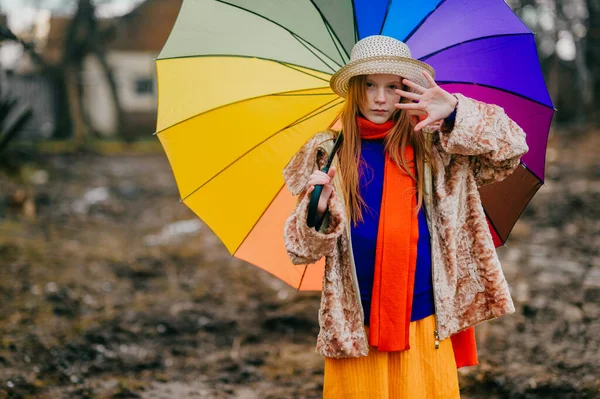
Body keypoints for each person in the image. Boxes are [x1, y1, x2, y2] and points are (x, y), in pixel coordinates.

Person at [282, 35, 529, 398]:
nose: (380, 98)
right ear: (354, 89)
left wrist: (457, 111)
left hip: (423, 312)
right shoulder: (327, 152)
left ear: (407, 91)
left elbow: (511, 150)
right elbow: (300, 250)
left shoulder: (436, 146)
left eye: (392, 87)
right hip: (355, 322)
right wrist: (315, 214)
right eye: (369, 85)